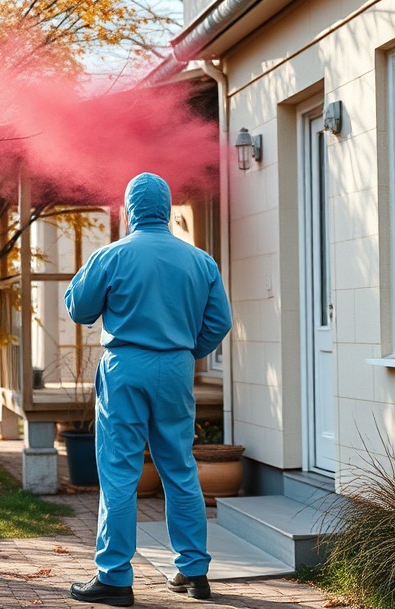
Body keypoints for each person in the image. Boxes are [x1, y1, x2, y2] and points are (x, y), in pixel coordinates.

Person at [64, 172, 232, 607]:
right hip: (177, 368)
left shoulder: (112, 255)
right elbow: (220, 323)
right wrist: (185, 350)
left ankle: (115, 577)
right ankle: (194, 571)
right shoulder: (201, 261)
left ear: (129, 208)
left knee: (120, 472)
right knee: (179, 466)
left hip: (125, 368)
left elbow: (79, 308)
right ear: (168, 207)